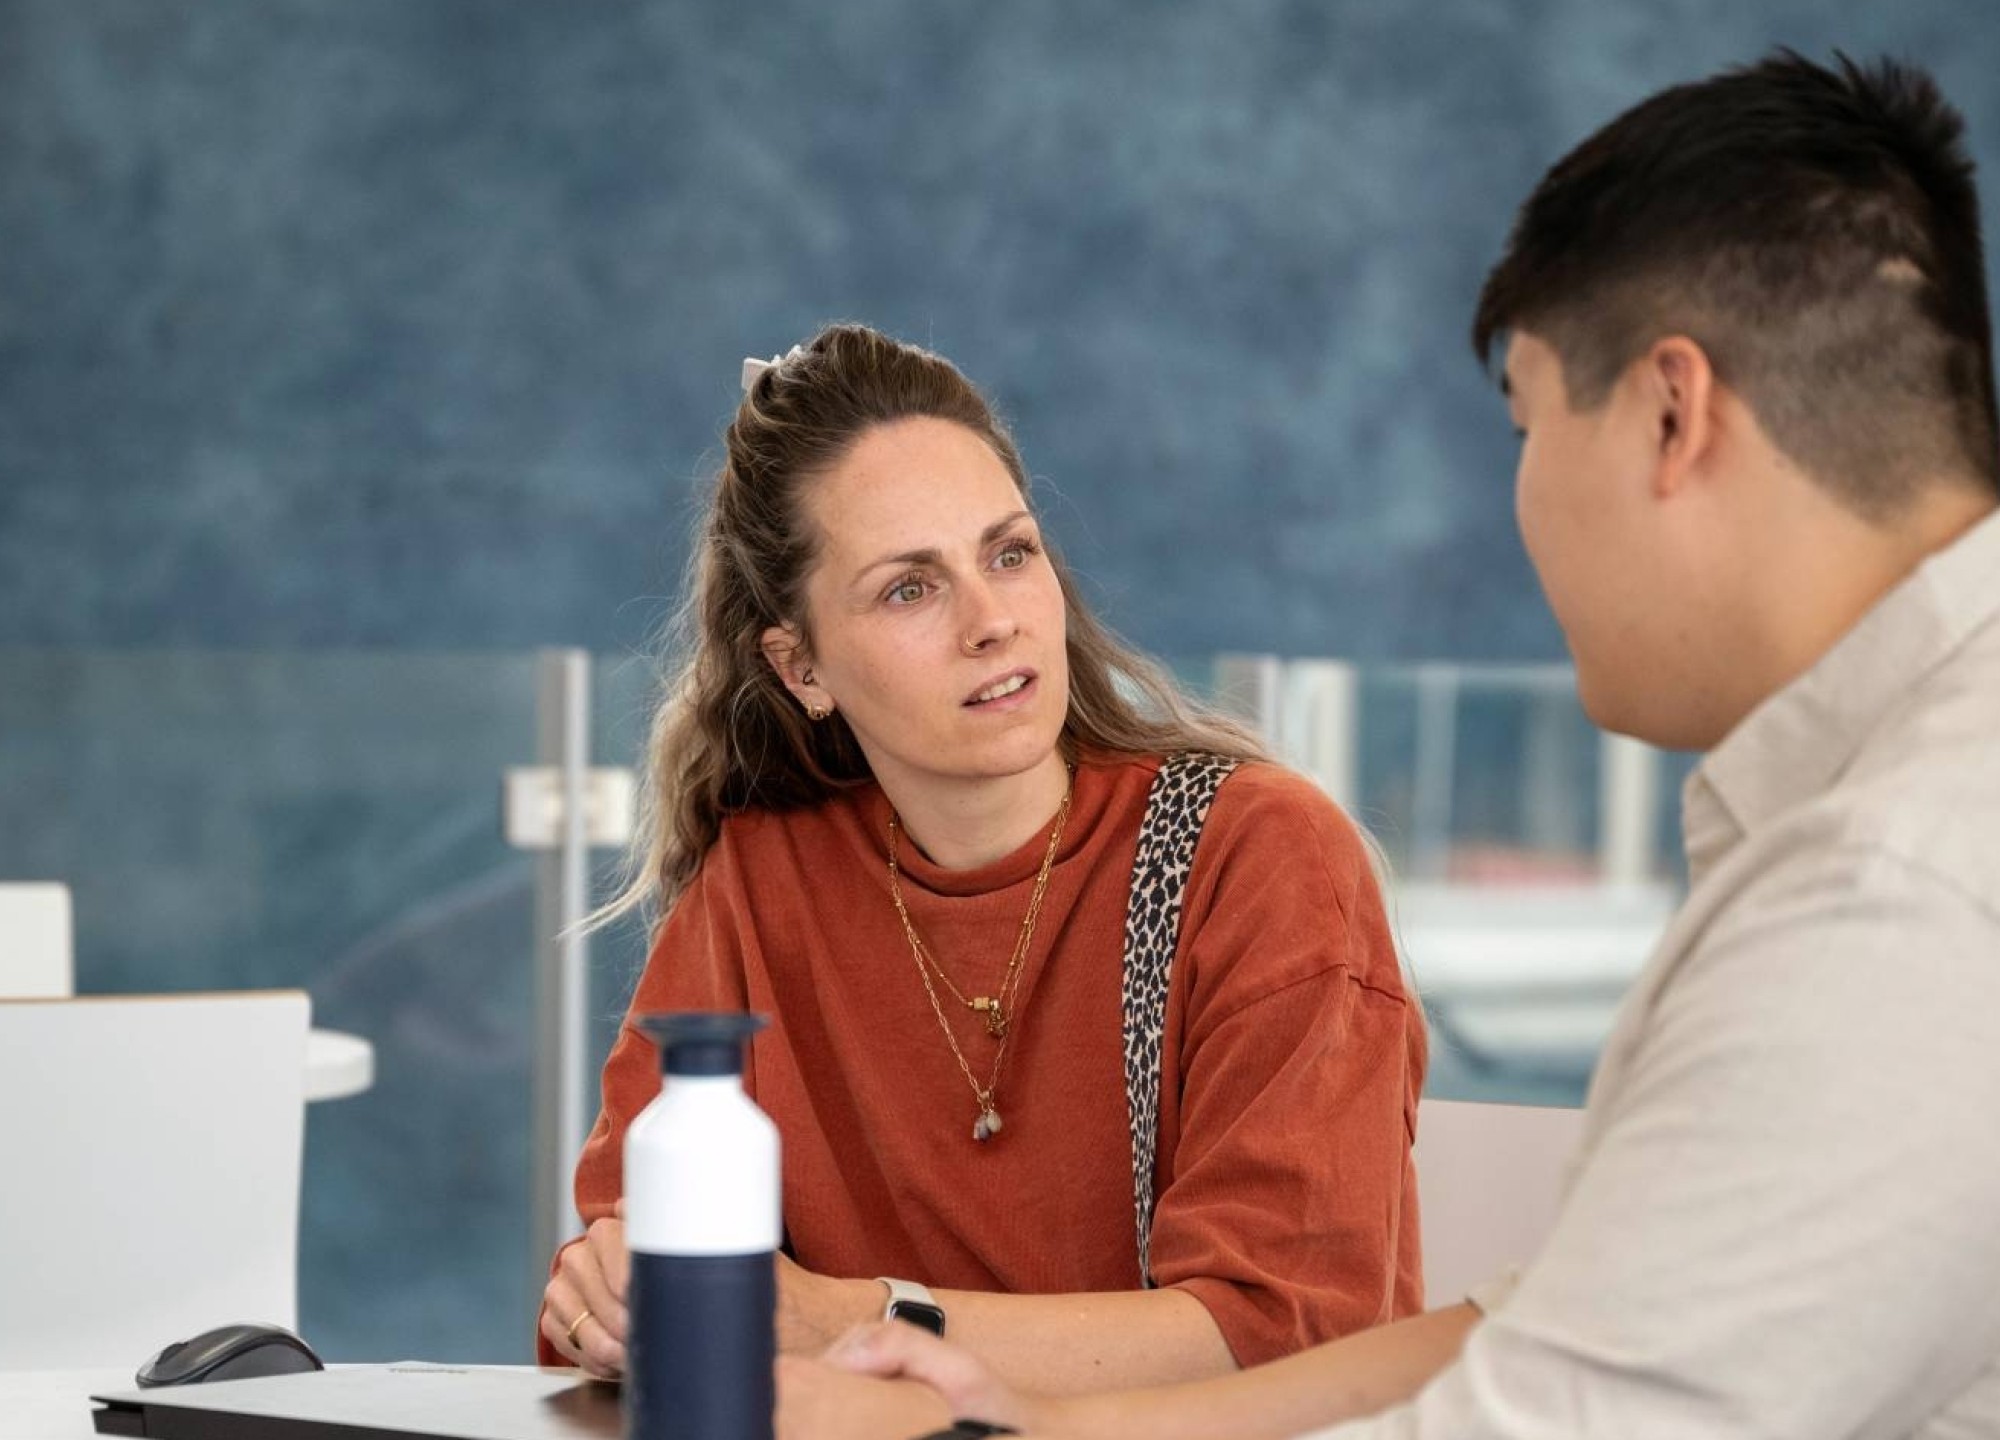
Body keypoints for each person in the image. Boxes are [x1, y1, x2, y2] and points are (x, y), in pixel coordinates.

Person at [782, 50, 2000, 1439]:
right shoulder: (1900, 818)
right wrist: (1034, 1421)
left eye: (1529, 425)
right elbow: (1550, 1333)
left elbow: (1543, 1423)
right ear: (797, 663)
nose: (1519, 511)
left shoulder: (1898, 900)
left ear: (1674, 415)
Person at [536, 323, 1430, 1392]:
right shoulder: (757, 889)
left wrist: (843, 1322)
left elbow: (1286, 1338)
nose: (992, 620)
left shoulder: (1259, 859)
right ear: (800, 665)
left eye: (1008, 553)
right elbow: (623, 1278)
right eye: (909, 588)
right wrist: (608, 1304)